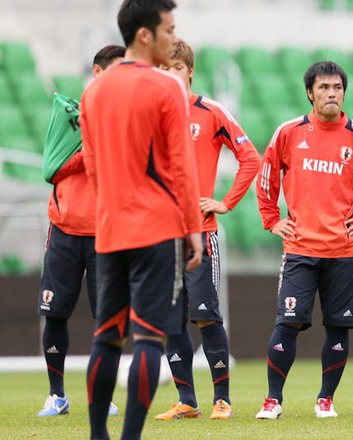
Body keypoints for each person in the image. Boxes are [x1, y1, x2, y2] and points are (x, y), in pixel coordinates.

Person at [80, 1, 203, 439]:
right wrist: (193, 227)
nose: (174, 38)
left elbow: (92, 167)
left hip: (110, 229)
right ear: (145, 35)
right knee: (150, 338)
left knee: (106, 337)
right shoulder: (167, 87)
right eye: (169, 30)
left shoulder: (93, 91)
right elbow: (180, 166)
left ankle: (98, 436)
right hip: (157, 230)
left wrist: (112, 209)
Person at [254, 61, 353, 420]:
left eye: (336, 87)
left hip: (342, 252)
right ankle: (273, 400)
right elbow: (267, 175)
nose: (331, 93)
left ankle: (325, 400)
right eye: (323, 87)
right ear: (310, 92)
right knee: (287, 324)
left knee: (338, 326)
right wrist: (272, 219)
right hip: (300, 249)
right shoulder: (288, 133)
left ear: (344, 92)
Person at [153, 40, 260, 421]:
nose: (170, 76)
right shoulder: (151, 116)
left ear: (190, 71)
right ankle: (186, 400)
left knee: (206, 316)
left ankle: (223, 400)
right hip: (161, 238)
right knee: (170, 320)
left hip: (201, 233)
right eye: (163, 70)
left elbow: (251, 158)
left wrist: (226, 202)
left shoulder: (210, 111)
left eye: (176, 69)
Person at [36, 44, 125, 418]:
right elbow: (52, 170)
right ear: (98, 72)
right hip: (66, 230)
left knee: (107, 316)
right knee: (54, 312)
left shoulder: (125, 120)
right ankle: (57, 395)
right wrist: (89, 155)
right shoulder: (70, 117)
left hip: (107, 232)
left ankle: (101, 393)